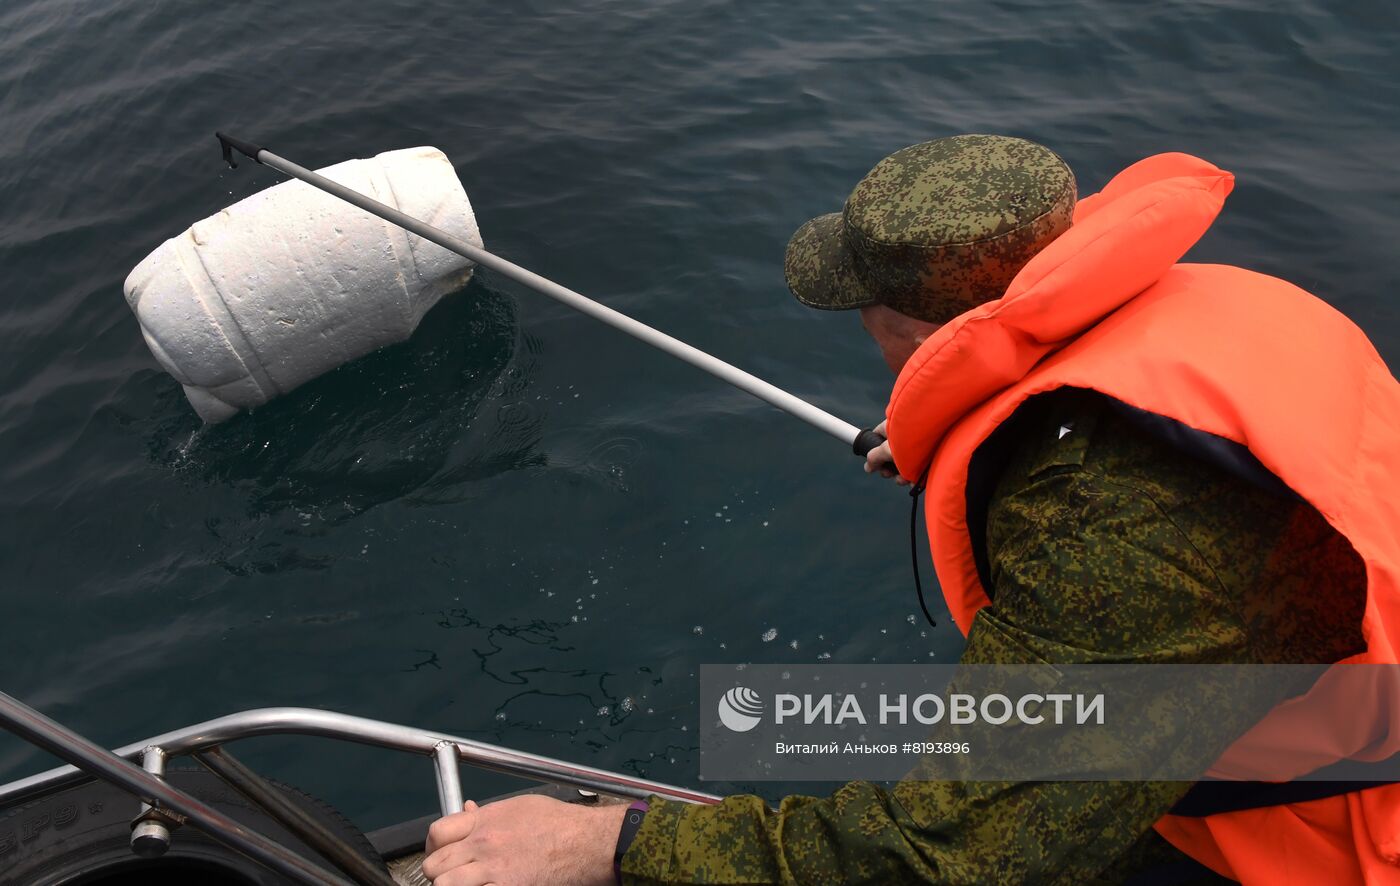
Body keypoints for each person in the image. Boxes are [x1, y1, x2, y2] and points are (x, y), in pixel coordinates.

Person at [420, 136, 1400, 885]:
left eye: (868, 312)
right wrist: (966, 420)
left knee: (806, 743)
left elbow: (949, 855)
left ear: (916, 326)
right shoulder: (1230, 308)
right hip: (1303, 699)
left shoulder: (1098, 524)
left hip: (1337, 835)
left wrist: (609, 842)